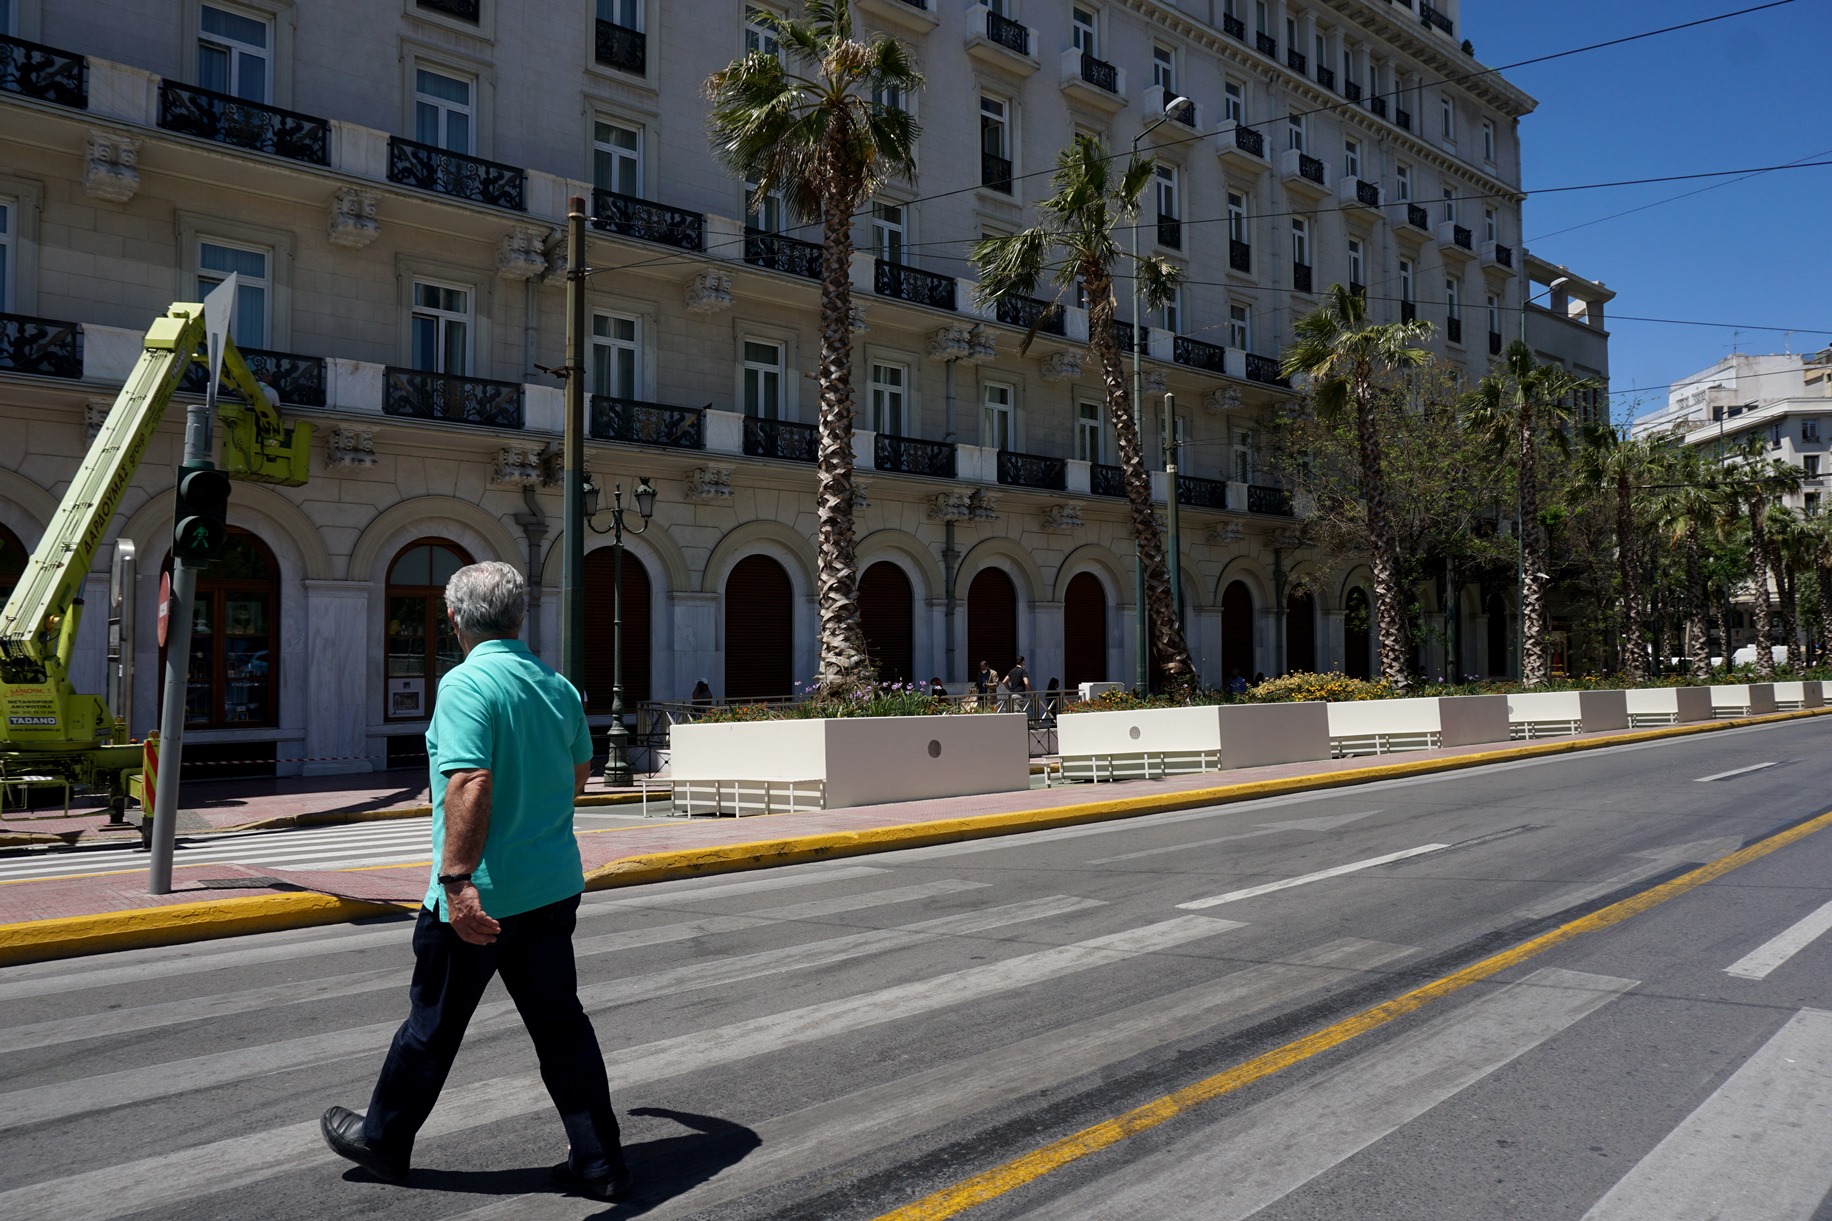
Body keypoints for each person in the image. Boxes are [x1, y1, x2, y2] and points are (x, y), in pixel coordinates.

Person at [321, 562, 631, 1201]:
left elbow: (469, 781)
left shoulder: (466, 684)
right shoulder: (558, 686)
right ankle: (599, 1162)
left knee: (430, 1027)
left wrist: (458, 881)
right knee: (561, 1028)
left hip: (481, 898)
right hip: (549, 889)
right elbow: (577, 776)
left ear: (454, 619)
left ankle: (383, 1140)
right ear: (519, 618)